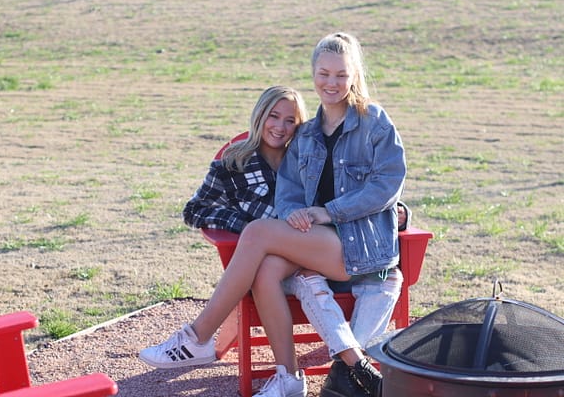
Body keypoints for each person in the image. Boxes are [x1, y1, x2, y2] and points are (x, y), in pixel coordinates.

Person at [140, 32, 407, 397]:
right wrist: (295, 213)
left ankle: (200, 336)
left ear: (354, 75)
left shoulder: (373, 122)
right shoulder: (308, 134)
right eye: (324, 74)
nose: (331, 83)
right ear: (313, 73)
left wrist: (327, 213)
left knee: (258, 234)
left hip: (361, 249)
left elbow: (387, 184)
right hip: (319, 245)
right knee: (265, 270)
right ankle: (289, 378)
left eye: (341, 75)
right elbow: (289, 193)